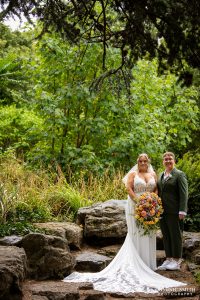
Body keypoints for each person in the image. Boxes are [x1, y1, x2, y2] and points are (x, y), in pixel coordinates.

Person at [63, 153, 186, 294]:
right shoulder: (133, 174)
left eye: (145, 160)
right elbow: (129, 189)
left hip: (150, 207)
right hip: (135, 206)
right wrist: (140, 202)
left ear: (149, 161)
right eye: (141, 160)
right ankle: (136, 264)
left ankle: (149, 264)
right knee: (136, 233)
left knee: (149, 233)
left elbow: (156, 189)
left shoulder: (154, 174)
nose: (143, 162)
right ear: (138, 162)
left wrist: (153, 201)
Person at [157, 152, 188, 271]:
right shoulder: (161, 175)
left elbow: (184, 194)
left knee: (175, 235)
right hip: (162, 212)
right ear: (163, 161)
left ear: (174, 160)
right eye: (165, 159)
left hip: (175, 211)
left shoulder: (179, 175)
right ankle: (169, 258)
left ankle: (177, 260)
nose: (168, 161)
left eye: (170, 159)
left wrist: (182, 211)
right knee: (166, 235)